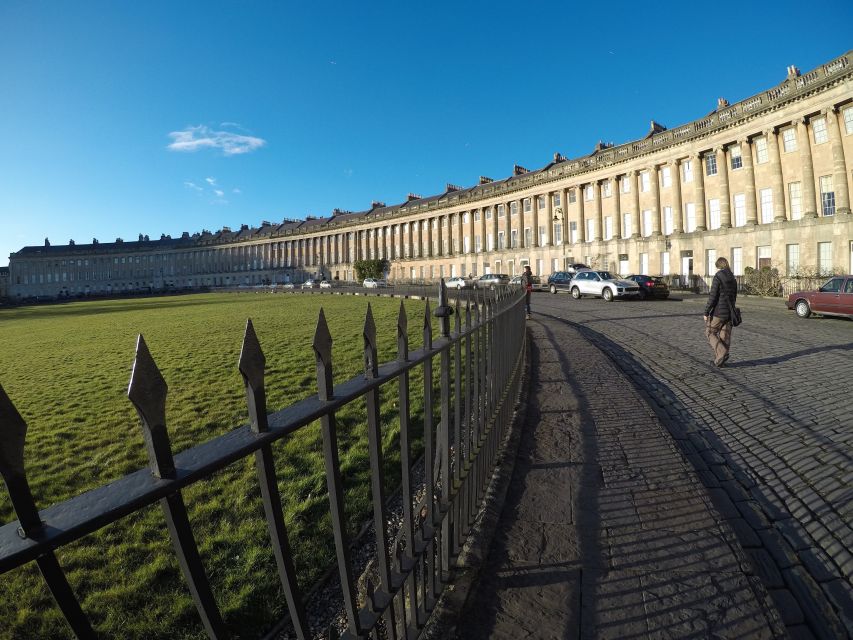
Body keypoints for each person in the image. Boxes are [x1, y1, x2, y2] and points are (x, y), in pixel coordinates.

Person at [703, 257, 737, 367]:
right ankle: (719, 360)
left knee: (709, 332)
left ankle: (722, 353)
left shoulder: (718, 276)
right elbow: (734, 296)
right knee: (724, 336)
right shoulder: (732, 277)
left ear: (719, 266)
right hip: (729, 312)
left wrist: (706, 312)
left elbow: (713, 296)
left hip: (718, 312)